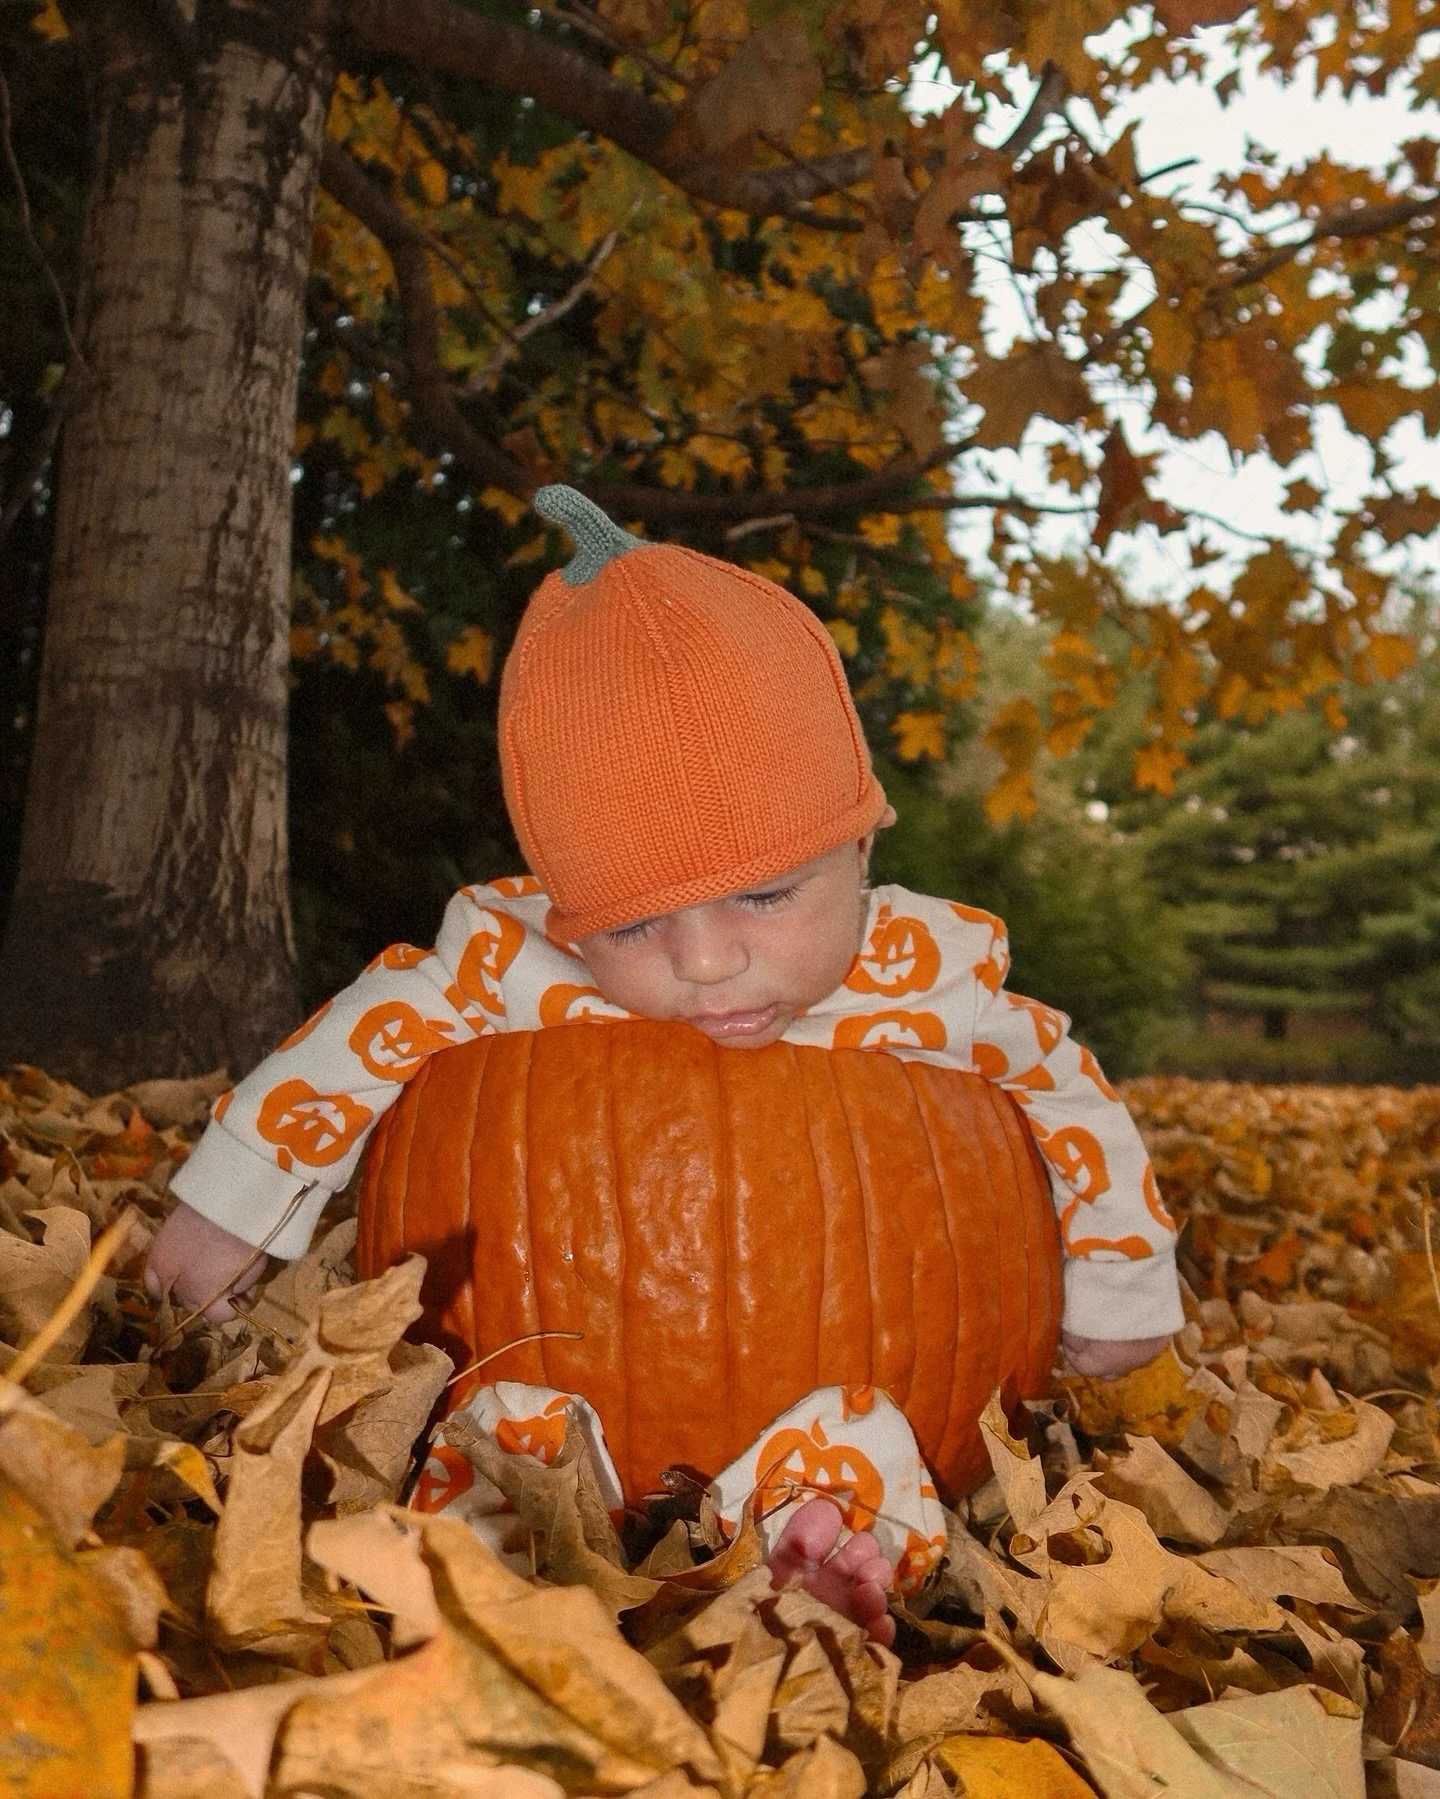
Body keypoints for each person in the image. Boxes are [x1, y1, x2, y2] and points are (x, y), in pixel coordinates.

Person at [146, 485, 1183, 1641]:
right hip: (553, 1389)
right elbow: (363, 1034)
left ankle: (820, 1559)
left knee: (866, 1439)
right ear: (566, 912)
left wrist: (1120, 1282)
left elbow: (1069, 1095)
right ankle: (495, 1552)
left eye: (767, 892)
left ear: (860, 839)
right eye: (631, 924)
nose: (705, 960)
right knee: (494, 1421)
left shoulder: (928, 974)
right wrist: (232, 1206)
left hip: (836, 1402)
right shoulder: (509, 961)